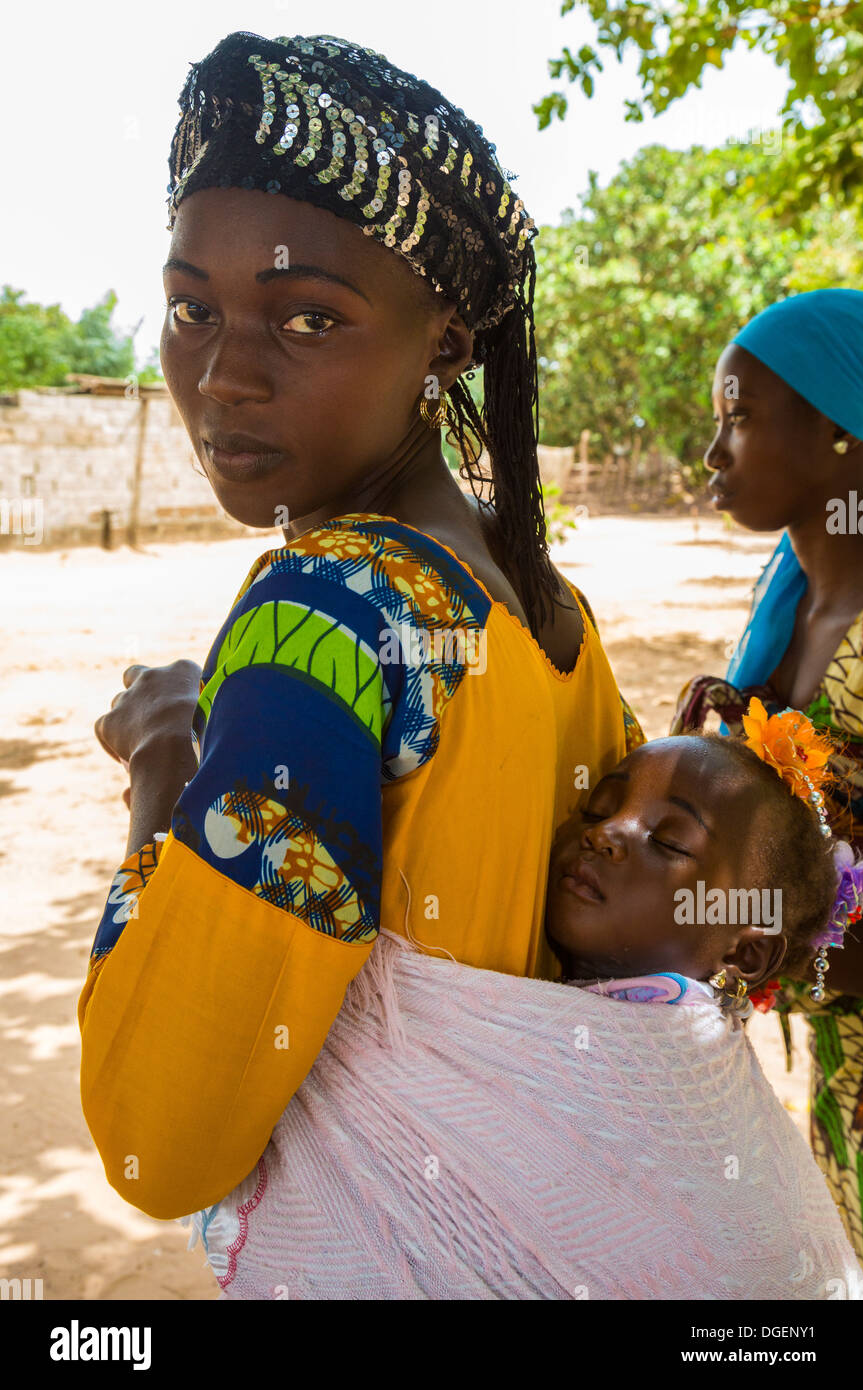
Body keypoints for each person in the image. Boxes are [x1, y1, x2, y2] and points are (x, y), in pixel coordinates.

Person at [78, 31, 644, 1223]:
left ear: (444, 344)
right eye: (191, 307)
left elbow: (156, 1143)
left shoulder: (324, 618)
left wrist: (164, 756)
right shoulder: (545, 607)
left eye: (307, 320)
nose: (223, 372)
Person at [183, 700, 863, 1299]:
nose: (606, 832)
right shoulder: (519, 1017)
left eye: (668, 841)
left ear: (746, 951)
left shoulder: (675, 1087)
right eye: (598, 807)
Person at [671, 287, 863, 1263]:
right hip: (837, 1069)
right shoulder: (785, 606)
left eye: (737, 417)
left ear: (838, 430)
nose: (713, 452)